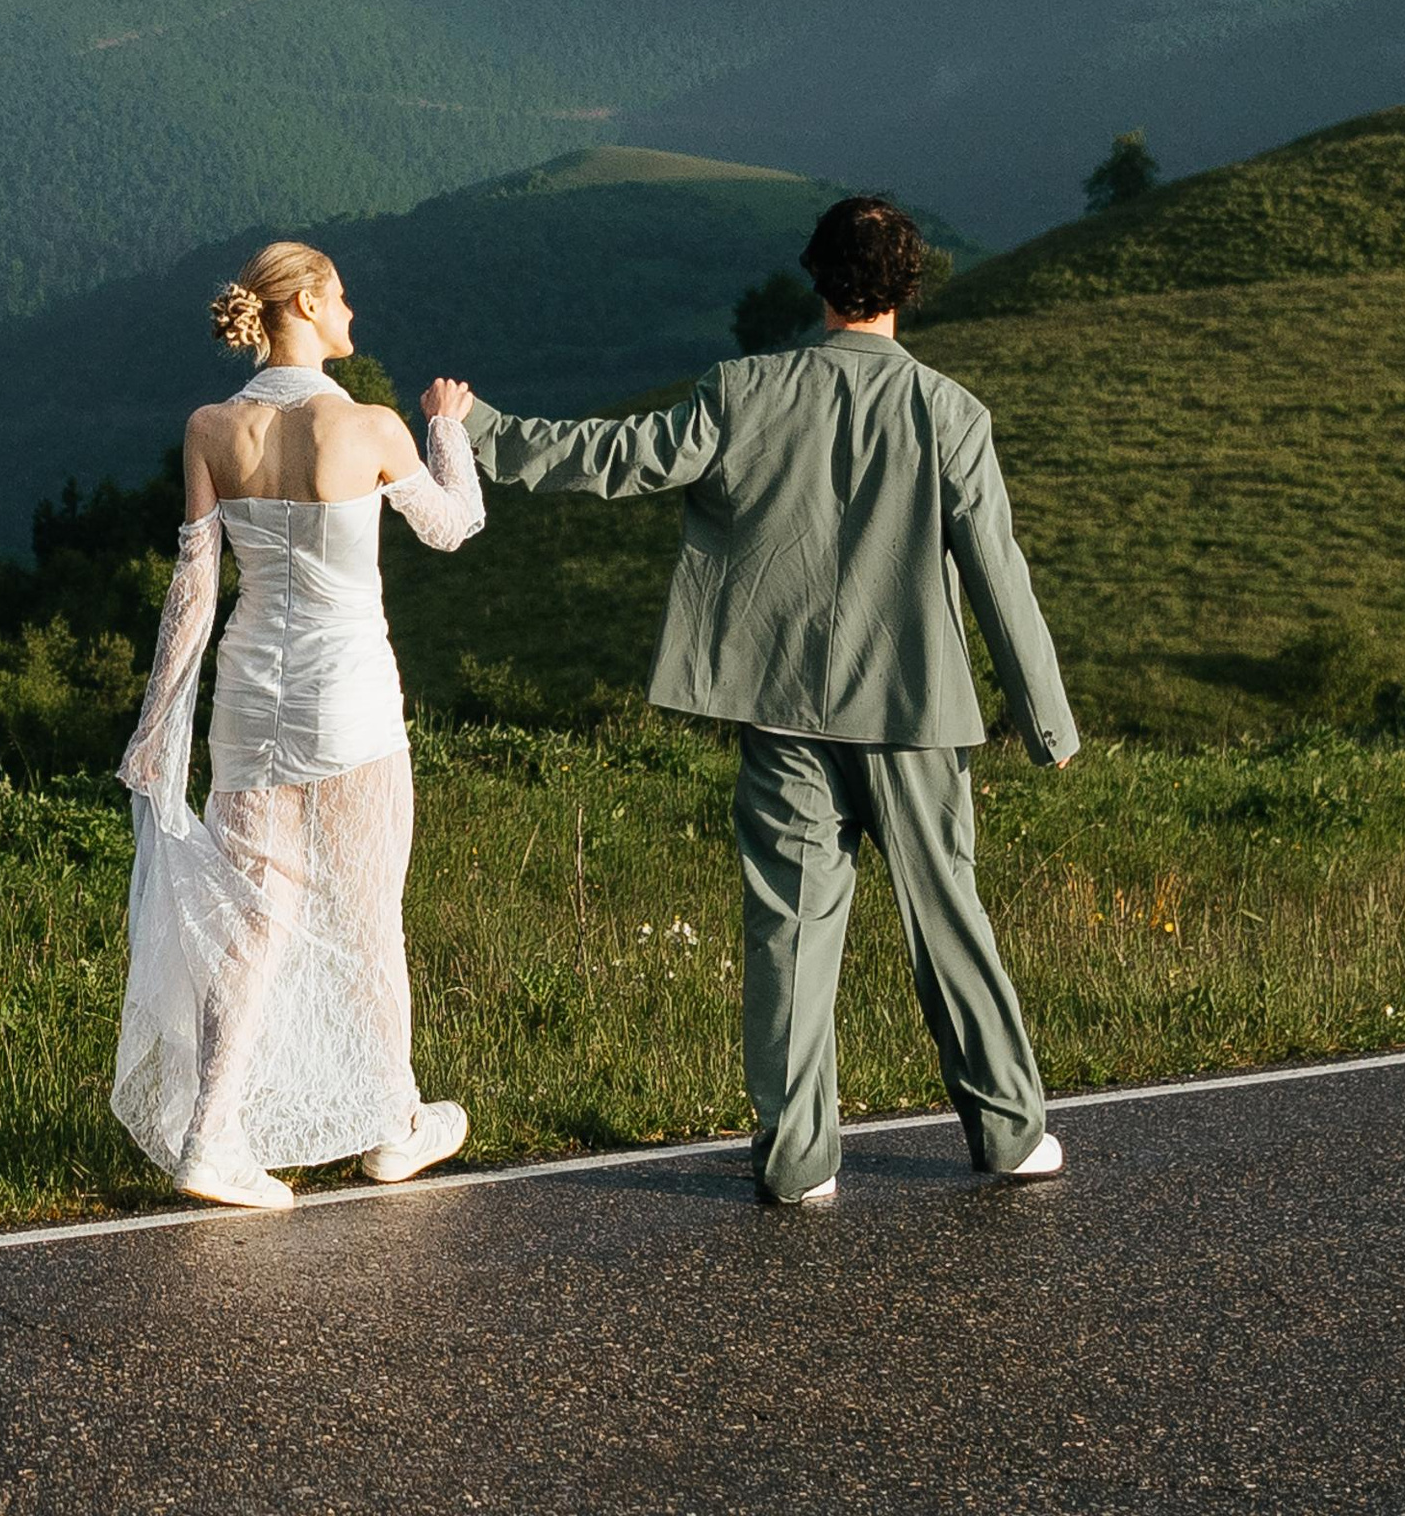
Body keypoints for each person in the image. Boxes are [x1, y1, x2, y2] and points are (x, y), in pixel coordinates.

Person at [460, 192, 1077, 1209]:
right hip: (915, 712)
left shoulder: (744, 388)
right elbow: (999, 571)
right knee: (948, 922)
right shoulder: (950, 412)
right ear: (909, 287)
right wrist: (1045, 722)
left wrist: (481, 429)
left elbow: (621, 458)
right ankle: (1008, 1134)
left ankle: (797, 1161)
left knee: (789, 932)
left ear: (817, 277)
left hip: (783, 708)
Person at [113, 239, 486, 1212]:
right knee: (368, 917)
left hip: (246, 704)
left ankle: (210, 1136)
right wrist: (447, 426)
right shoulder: (367, 425)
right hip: (351, 702)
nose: (353, 310)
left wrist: (157, 724)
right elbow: (452, 524)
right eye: (345, 295)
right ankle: (398, 1121)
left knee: (248, 925)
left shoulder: (208, 425)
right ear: (310, 302)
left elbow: (194, 587)